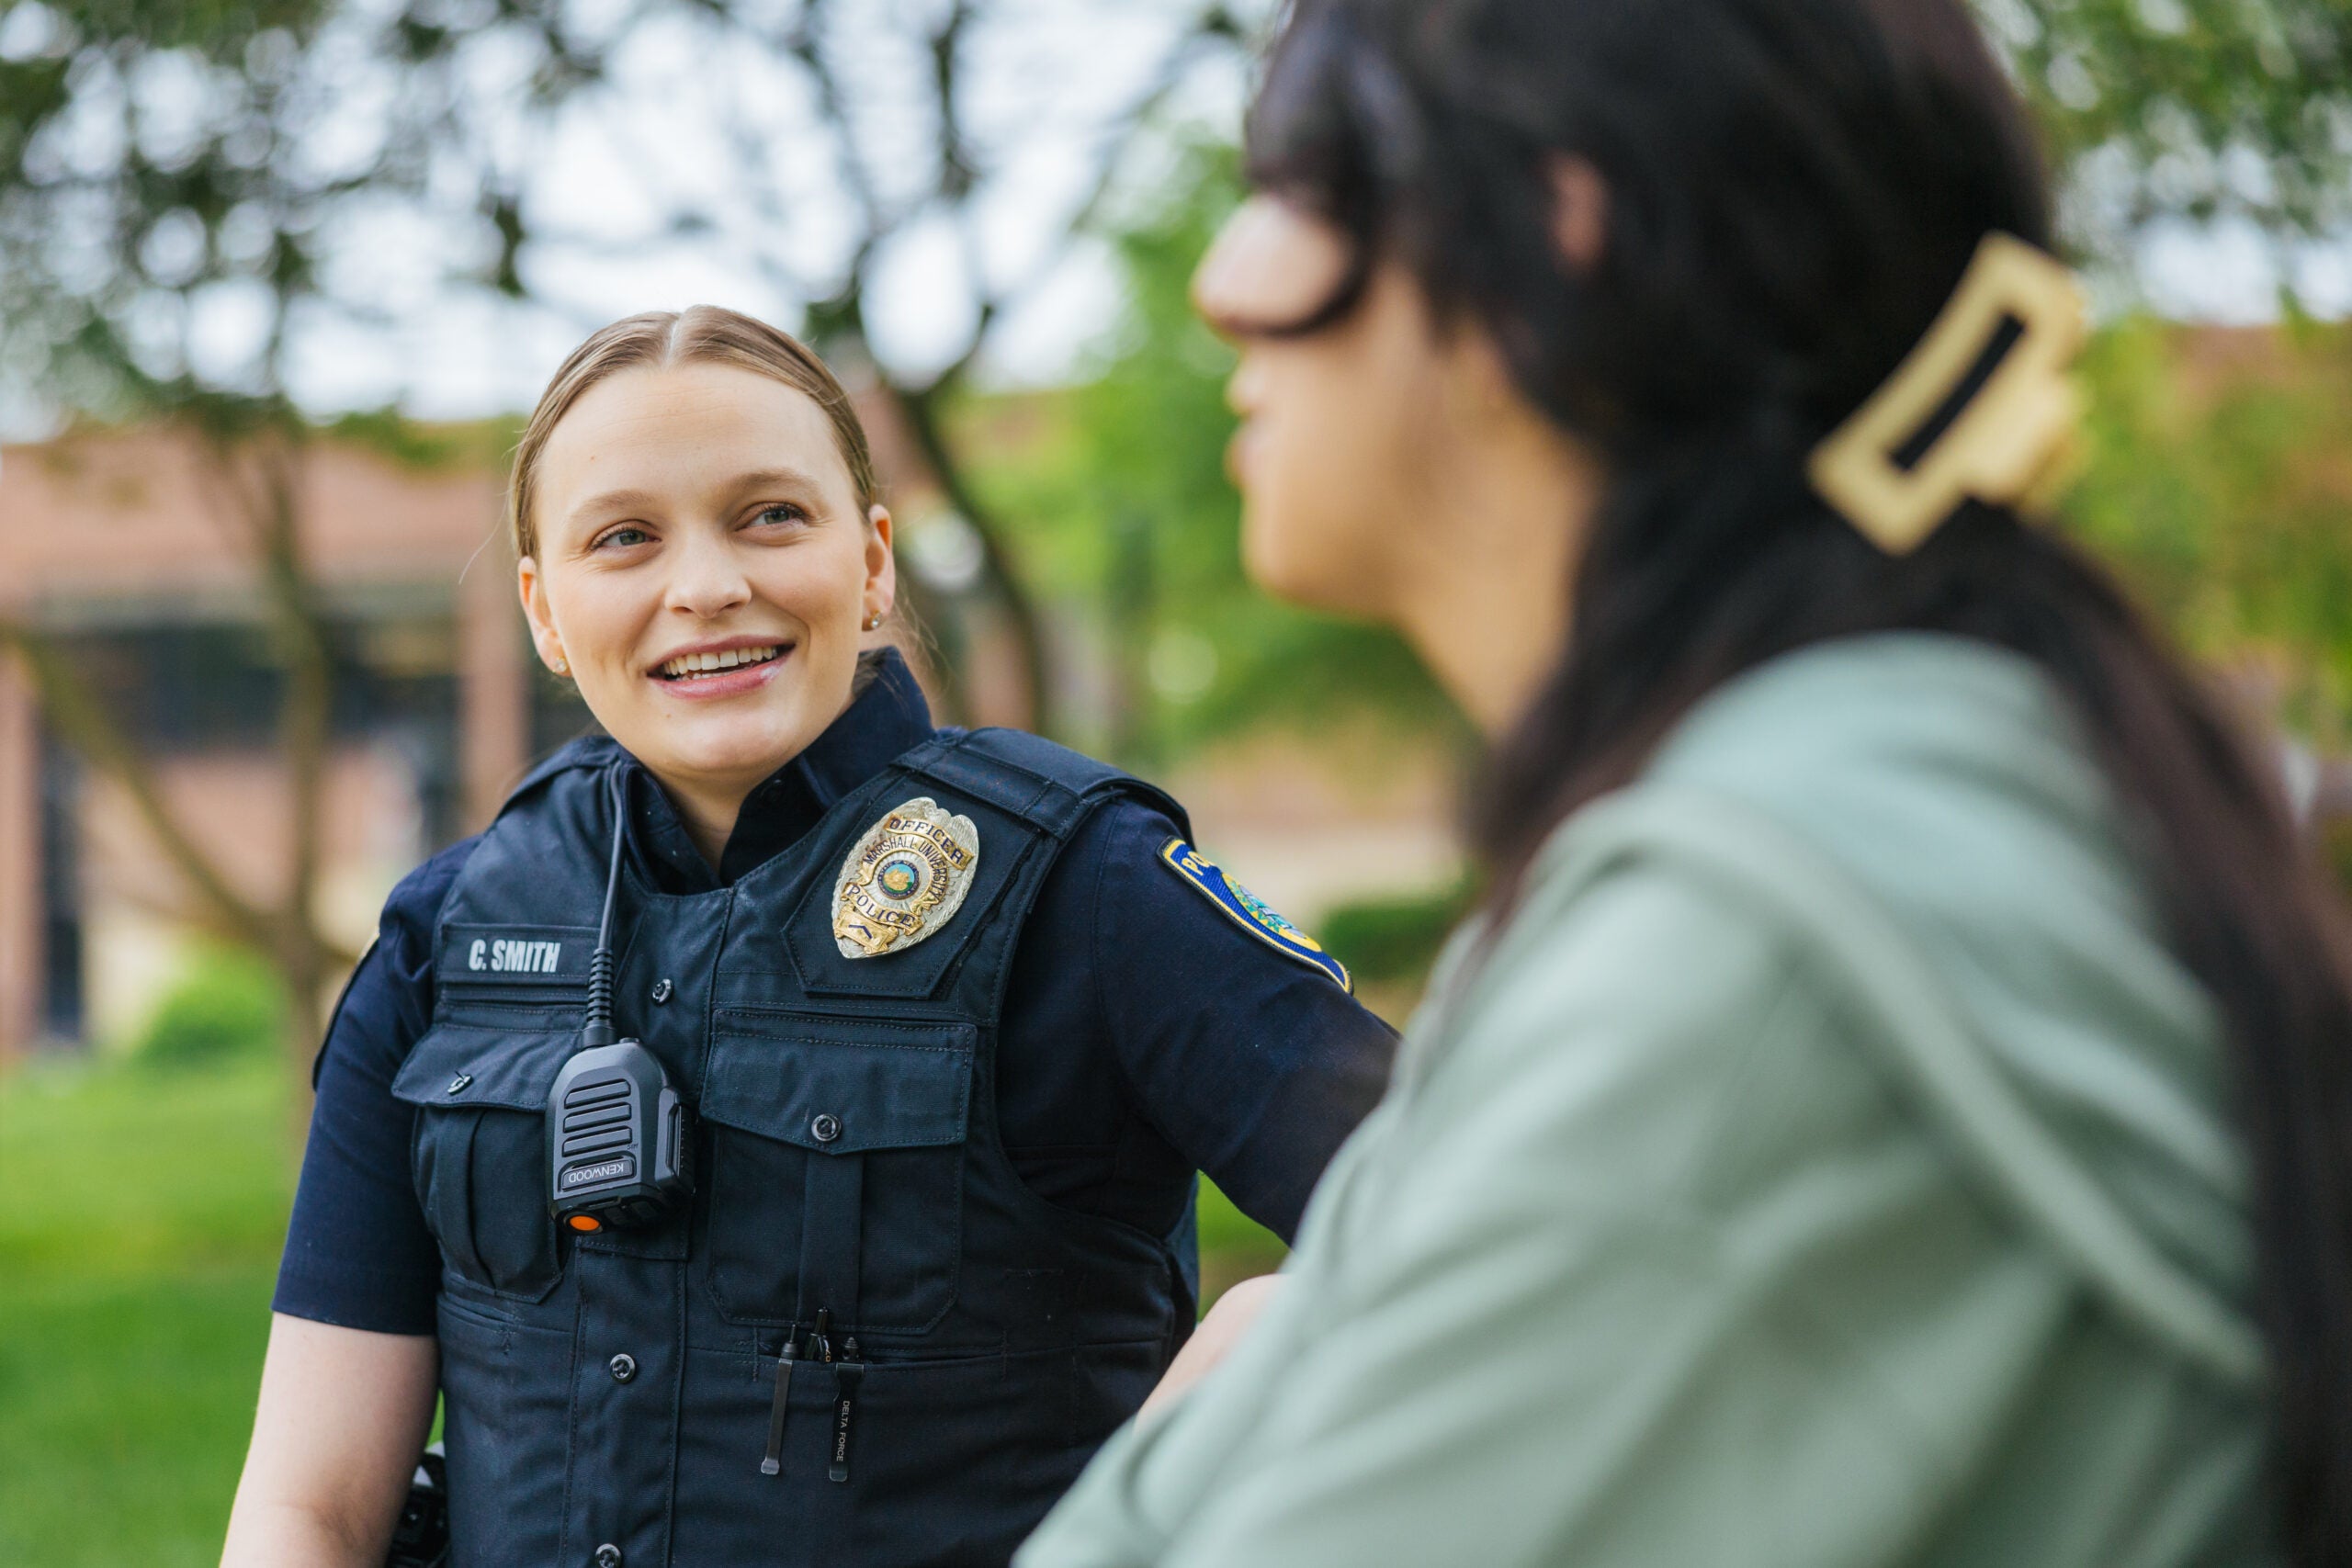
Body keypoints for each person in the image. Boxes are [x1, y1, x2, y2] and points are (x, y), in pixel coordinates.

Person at [1017, 1, 2352, 1564]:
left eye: (1298, 188)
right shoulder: (1861, 790)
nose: (1222, 283)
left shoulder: (1764, 935)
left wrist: (1212, 1419)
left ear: (1553, 229)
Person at [220, 306, 1396, 1568]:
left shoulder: (1085, 888)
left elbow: (1475, 1217)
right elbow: (310, 1510)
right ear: (544, 611)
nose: (708, 585)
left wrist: (1217, 1412)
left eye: (771, 516)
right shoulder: (445, 938)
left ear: (874, 560)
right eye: (624, 539)